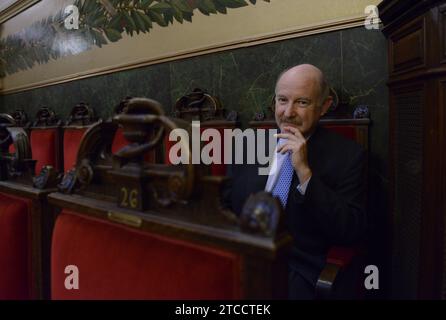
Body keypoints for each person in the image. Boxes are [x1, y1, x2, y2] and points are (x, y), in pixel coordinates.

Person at [223, 64, 367, 299]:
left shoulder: (348, 156)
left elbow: (349, 231)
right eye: (282, 100)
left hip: (297, 270)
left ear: (324, 106)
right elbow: (224, 205)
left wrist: (304, 172)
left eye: (302, 102)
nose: (288, 112)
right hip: (241, 256)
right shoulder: (248, 146)